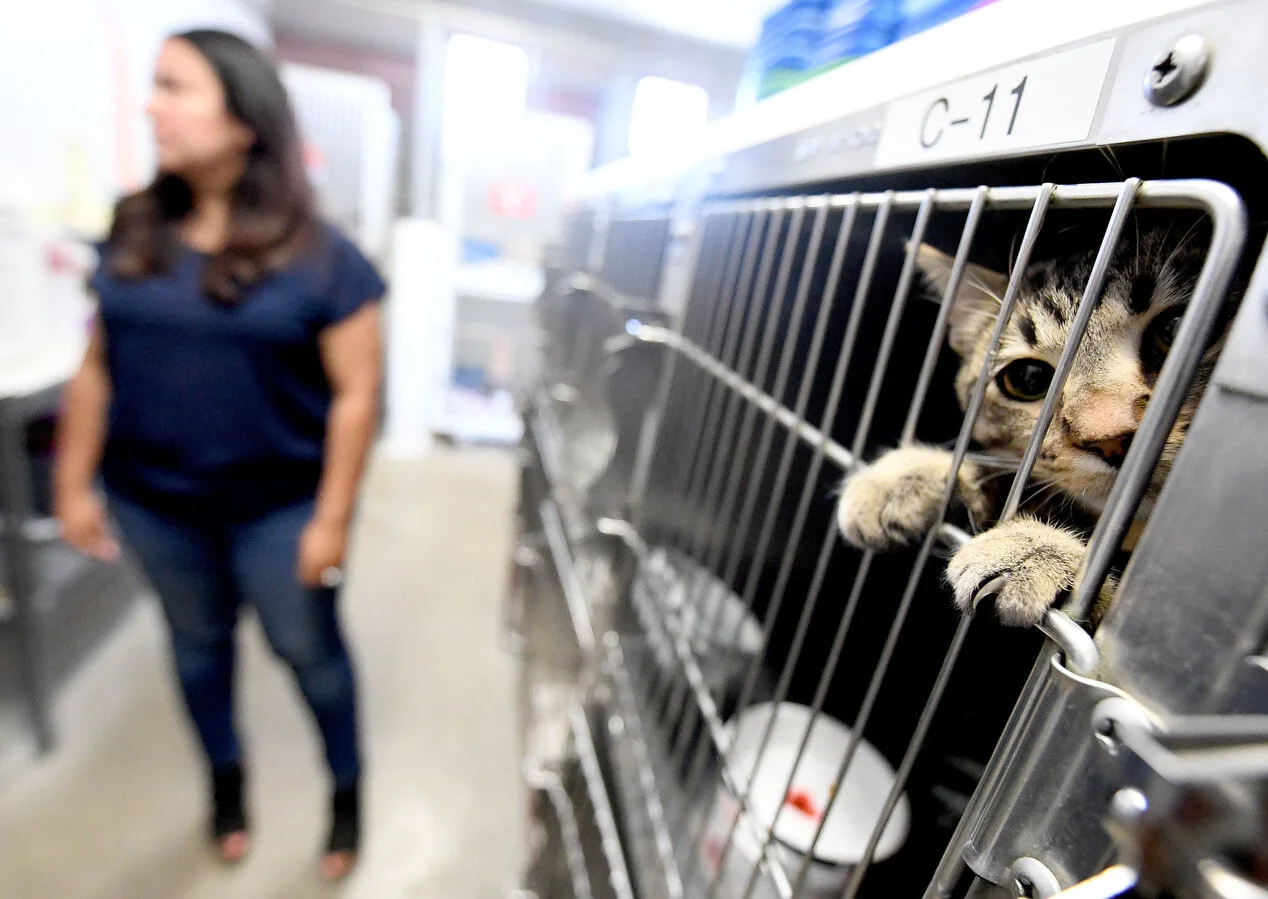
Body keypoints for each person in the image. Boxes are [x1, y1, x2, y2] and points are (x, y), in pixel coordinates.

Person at [53, 29, 383, 882]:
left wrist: (333, 519)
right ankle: (226, 786)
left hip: (278, 509)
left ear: (243, 121)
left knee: (309, 652)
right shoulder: (132, 230)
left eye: (175, 87)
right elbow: (95, 370)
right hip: (155, 504)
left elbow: (356, 396)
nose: (152, 104)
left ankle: (347, 790)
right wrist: (72, 481)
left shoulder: (324, 258)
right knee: (197, 646)